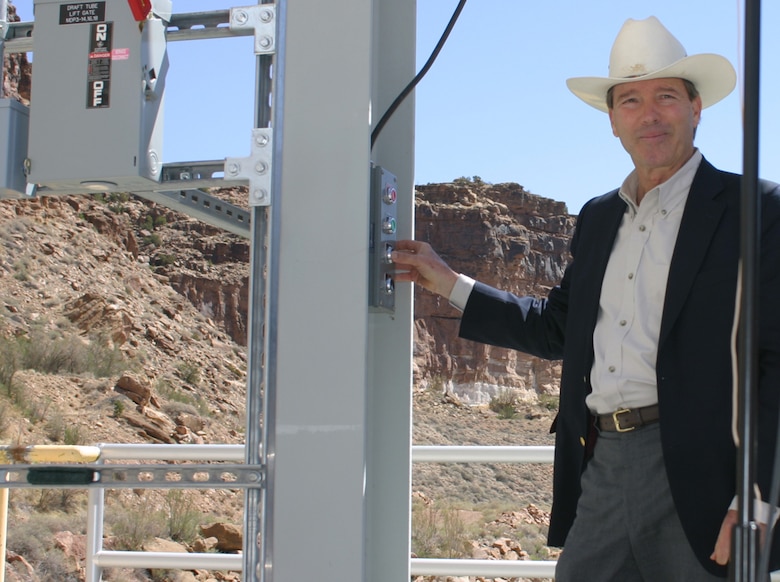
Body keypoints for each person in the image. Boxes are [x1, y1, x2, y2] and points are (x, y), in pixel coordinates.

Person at [392, 16, 780, 581]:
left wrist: (758, 496)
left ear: (696, 109)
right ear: (613, 122)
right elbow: (556, 328)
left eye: (666, 96)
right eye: (630, 100)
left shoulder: (757, 210)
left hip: (704, 476)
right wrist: (446, 281)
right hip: (601, 462)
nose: (649, 114)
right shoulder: (598, 218)